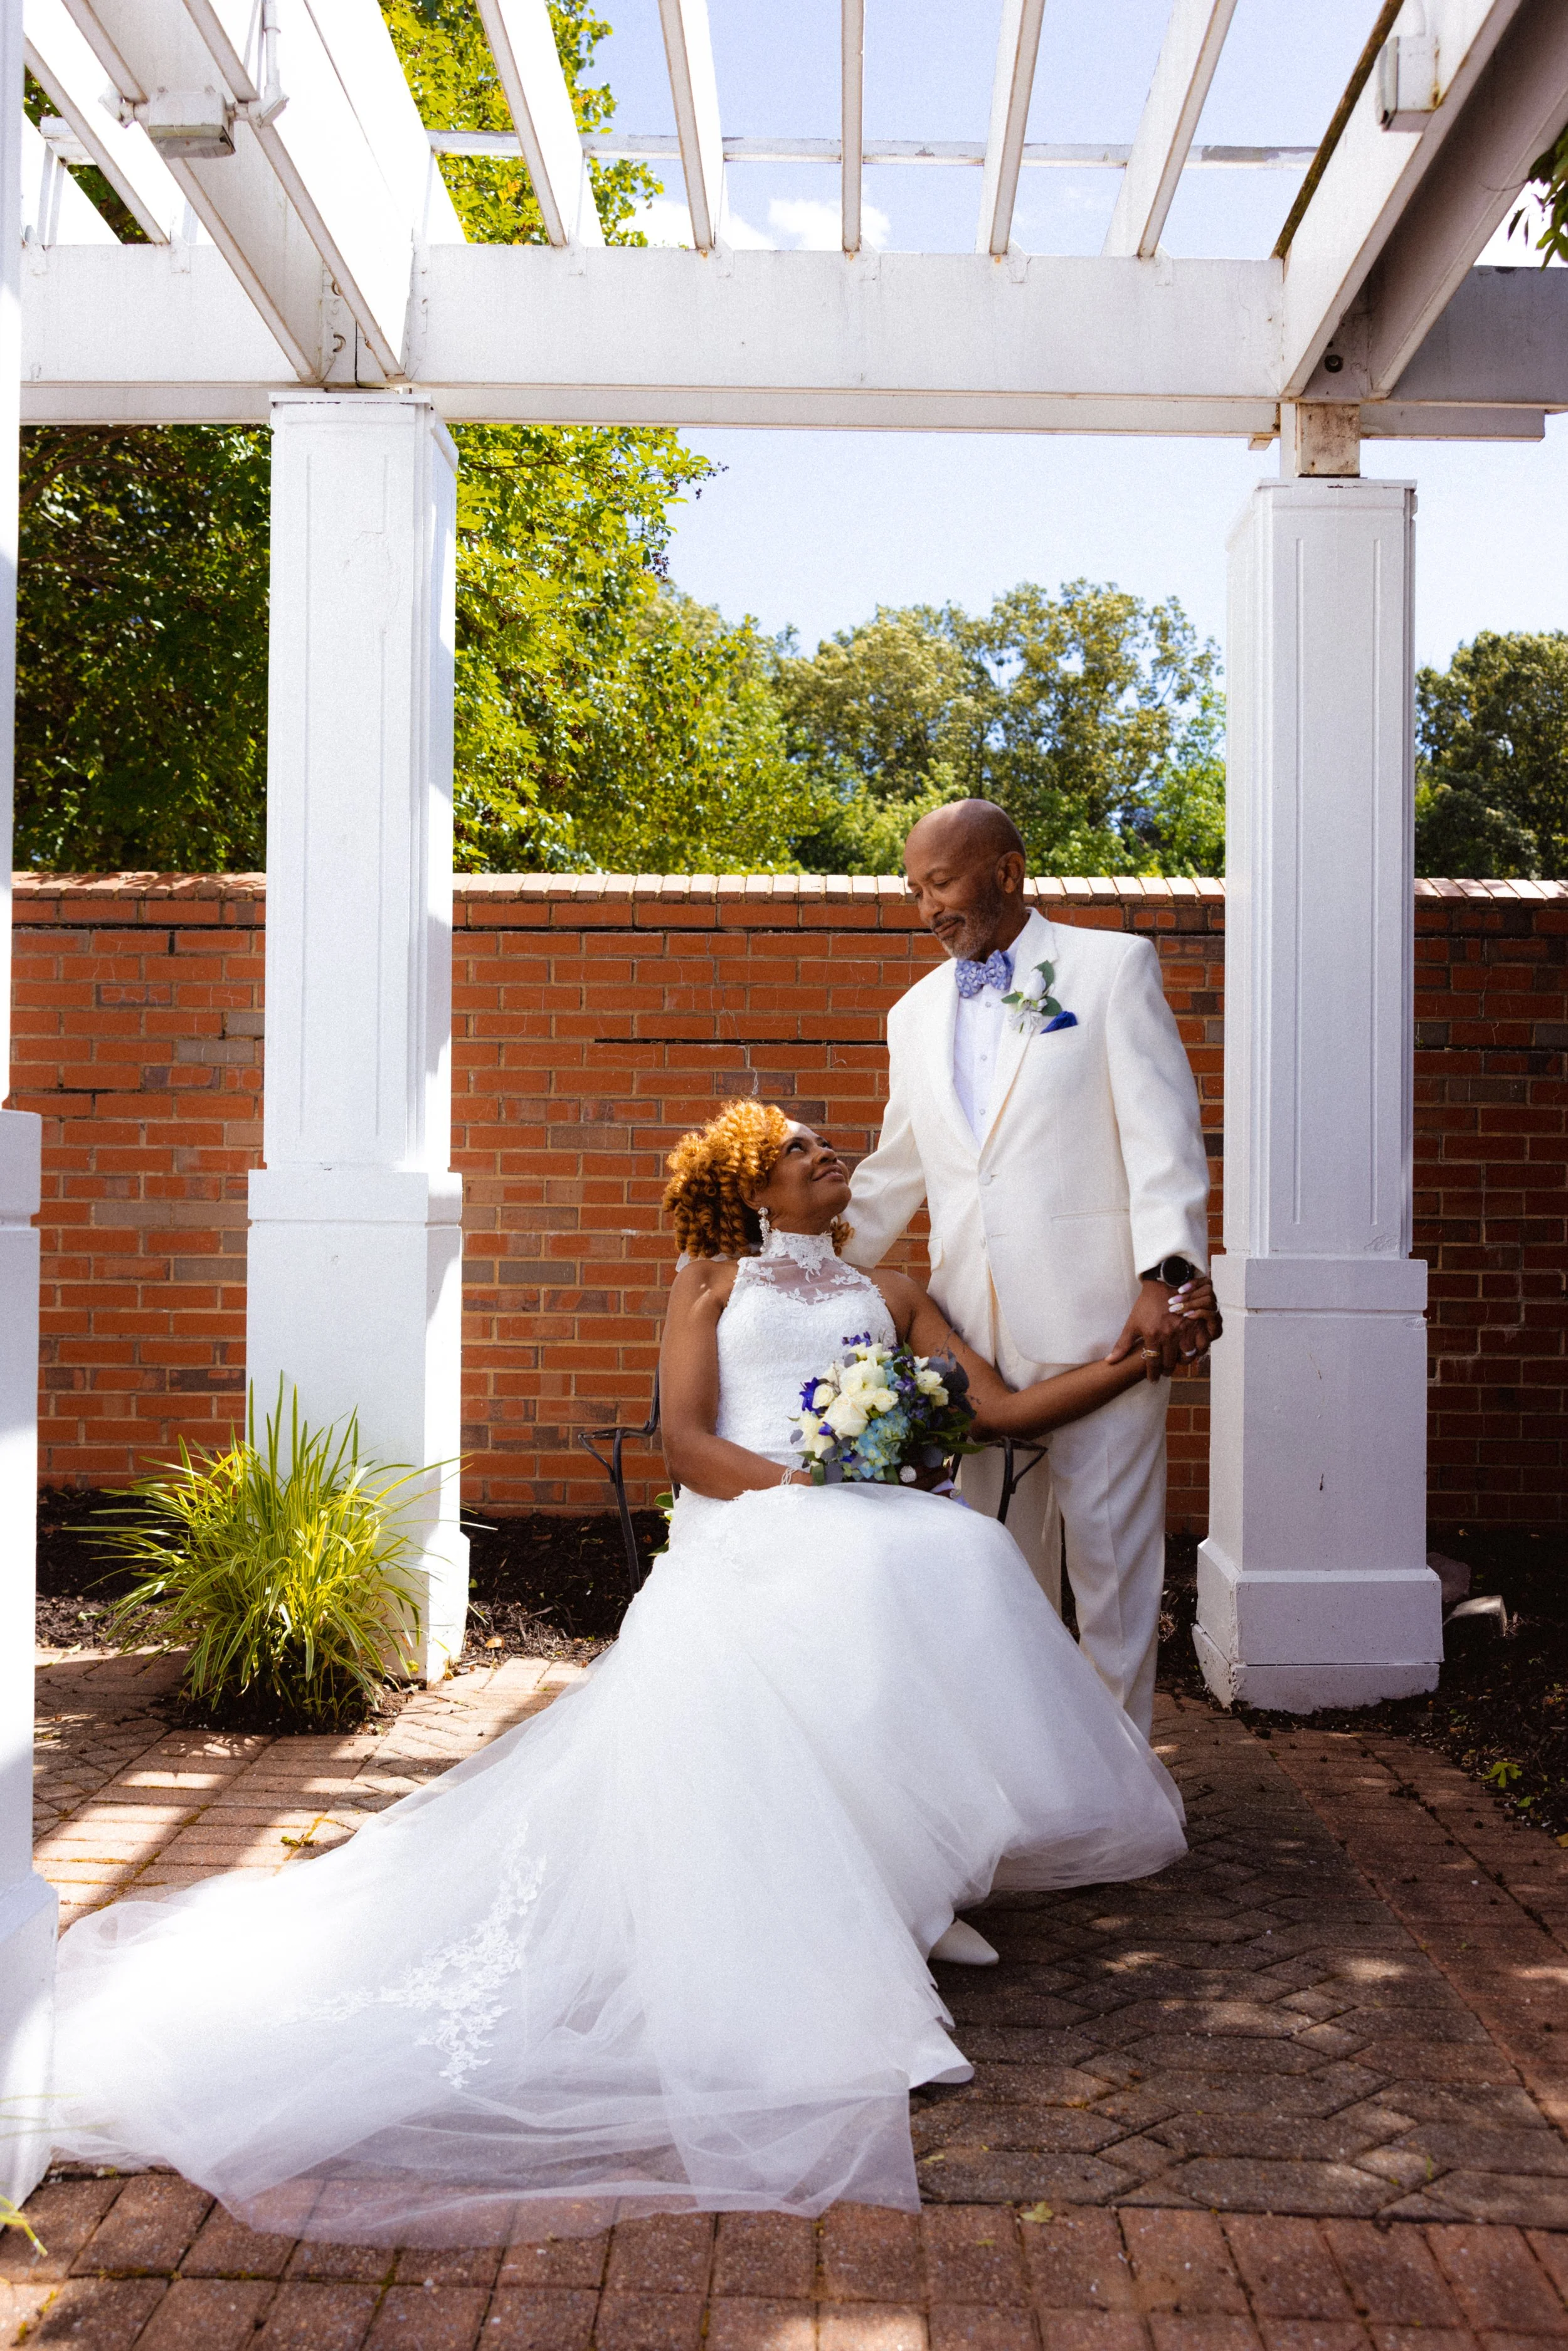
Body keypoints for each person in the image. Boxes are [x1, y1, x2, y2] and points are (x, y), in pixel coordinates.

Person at [48, 1101, 1190, 2246]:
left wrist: (1130, 1364)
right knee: (862, 1567)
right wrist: (809, 1493)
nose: (826, 1151)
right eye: (797, 1149)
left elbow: (990, 1408)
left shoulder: (891, 1295)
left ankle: (906, 1880)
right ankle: (872, 1910)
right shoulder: (708, 1283)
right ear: (751, 1189)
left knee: (965, 1550)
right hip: (757, 1515)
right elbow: (685, 1442)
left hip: (860, 1515)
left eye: (822, 1141)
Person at [844, 800, 1219, 1739]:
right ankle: (1021, 1782)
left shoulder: (1109, 968)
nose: (925, 907)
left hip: (1105, 1332)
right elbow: (896, 1171)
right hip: (966, 1346)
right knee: (994, 1580)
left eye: (940, 883)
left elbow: (1162, 1139)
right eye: (913, 890)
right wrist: (794, 1272)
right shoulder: (912, 1013)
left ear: (1007, 872)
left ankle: (1122, 1794)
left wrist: (1166, 1277)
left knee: (1113, 1585)